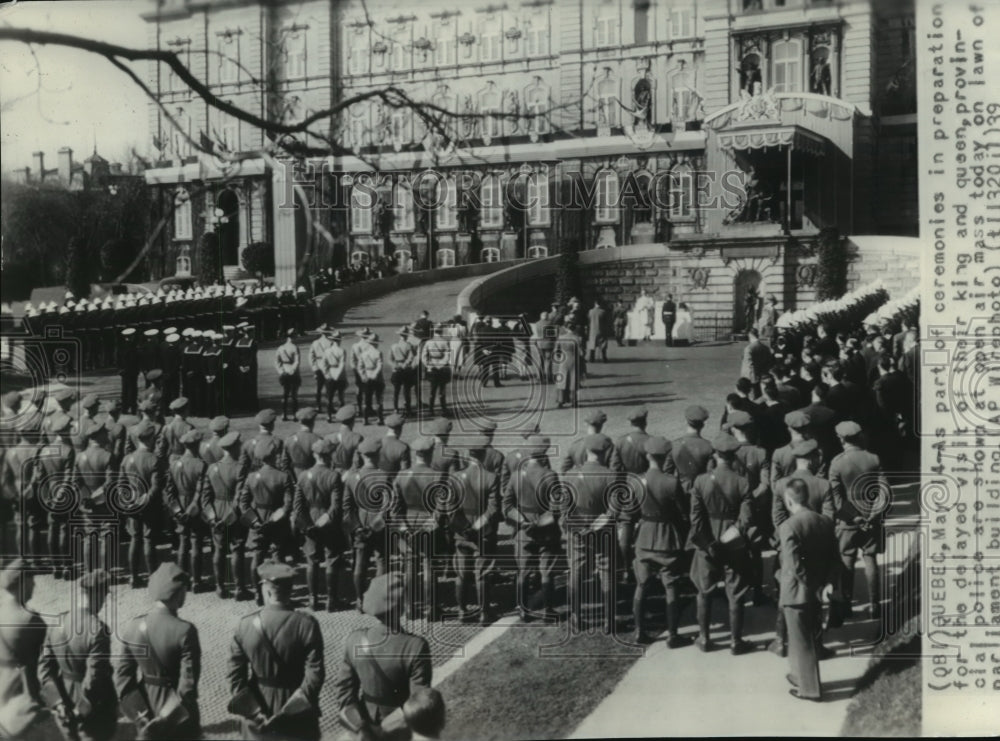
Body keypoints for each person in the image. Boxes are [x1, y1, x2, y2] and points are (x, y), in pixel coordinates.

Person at [227, 563, 325, 741]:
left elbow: (235, 675)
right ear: (291, 590)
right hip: (296, 705)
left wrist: (252, 711)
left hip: (257, 702)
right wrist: (296, 705)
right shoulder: (307, 624)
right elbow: (315, 674)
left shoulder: (245, 624)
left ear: (267, 591)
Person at [114, 562, 202, 740]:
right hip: (177, 710)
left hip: (145, 706)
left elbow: (123, 679)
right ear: (178, 592)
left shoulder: (133, 626)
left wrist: (141, 716)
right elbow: (188, 685)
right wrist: (168, 716)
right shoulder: (185, 631)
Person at [687, 433, 755, 655]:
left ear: (715, 454)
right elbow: (745, 521)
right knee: (735, 592)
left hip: (707, 542)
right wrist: (726, 541)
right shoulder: (743, 482)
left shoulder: (700, 481)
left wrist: (709, 545)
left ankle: (705, 638)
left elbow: (695, 520)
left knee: (704, 591)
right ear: (734, 455)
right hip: (733, 543)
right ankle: (736, 642)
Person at [334, 573, 432, 725]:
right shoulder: (416, 646)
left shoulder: (354, 640)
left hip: (366, 723)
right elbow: (419, 701)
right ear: (400, 608)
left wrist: (361, 729)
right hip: (402, 726)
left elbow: (345, 695)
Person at [778, 480, 839, 702]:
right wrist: (825, 584)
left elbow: (794, 565)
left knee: (802, 642)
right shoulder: (824, 521)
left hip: (797, 593)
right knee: (804, 639)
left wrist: (811, 586)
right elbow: (834, 557)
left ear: (789, 500)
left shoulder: (789, 526)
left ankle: (810, 689)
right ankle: (799, 675)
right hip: (817, 590)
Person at [39, 569, 117, 741]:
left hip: (64, 699)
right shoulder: (98, 630)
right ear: (98, 594)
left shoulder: (56, 622)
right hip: (93, 709)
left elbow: (44, 669)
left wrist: (58, 702)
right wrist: (80, 710)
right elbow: (95, 677)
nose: (104, 602)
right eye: (104, 596)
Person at [632, 437, 691, 647]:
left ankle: (639, 631)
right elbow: (683, 514)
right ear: (666, 456)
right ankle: (673, 635)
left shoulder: (636, 480)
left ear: (647, 456)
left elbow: (631, 512)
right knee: (671, 584)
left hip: (644, 536)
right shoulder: (671, 482)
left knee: (642, 584)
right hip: (667, 538)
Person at [828, 420, 888, 621]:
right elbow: (884, 492)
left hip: (848, 520)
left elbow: (837, 499)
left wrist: (854, 516)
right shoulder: (873, 458)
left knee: (847, 560)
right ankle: (875, 604)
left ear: (841, 439)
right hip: (871, 517)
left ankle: (846, 605)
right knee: (870, 559)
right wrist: (873, 515)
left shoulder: (837, 463)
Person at [563, 434, 619, 632]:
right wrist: (597, 525)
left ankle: (576, 617)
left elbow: (564, 509)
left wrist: (580, 528)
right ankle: (609, 620)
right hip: (603, 531)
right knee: (606, 572)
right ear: (605, 452)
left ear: (586, 451)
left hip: (578, 530)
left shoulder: (570, 474)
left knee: (576, 572)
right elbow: (614, 509)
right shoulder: (611, 475)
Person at [502, 435, 561, 620]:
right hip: (546, 530)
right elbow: (555, 510)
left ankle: (522, 609)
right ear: (543, 454)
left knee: (523, 571)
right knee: (547, 570)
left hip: (522, 530)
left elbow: (507, 506)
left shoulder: (516, 475)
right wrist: (537, 523)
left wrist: (522, 522)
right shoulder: (550, 475)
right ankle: (548, 609)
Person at [0, 560, 58, 741]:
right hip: (24, 702)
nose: (34, 584)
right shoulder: (31, 620)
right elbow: (48, 668)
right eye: (31, 579)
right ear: (21, 582)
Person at [391, 436, 446, 621]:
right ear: (430, 453)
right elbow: (440, 509)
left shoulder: (401, 475)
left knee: (409, 567)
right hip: (427, 525)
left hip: (408, 524)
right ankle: (431, 609)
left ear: (416, 454)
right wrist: (428, 526)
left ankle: (410, 608)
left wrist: (404, 527)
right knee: (429, 566)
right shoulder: (437, 476)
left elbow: (395, 508)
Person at [450, 435, 502, 623]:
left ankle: (462, 611)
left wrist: (465, 528)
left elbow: (450, 508)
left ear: (468, 454)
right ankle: (484, 612)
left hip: (461, 534)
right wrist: (477, 527)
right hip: (483, 534)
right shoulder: (491, 478)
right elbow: (494, 508)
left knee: (461, 574)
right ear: (483, 454)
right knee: (483, 573)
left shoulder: (455, 477)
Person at [293, 438, 346, 611]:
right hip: (328, 522)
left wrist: (308, 525)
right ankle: (332, 600)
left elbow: (298, 507)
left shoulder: (303, 475)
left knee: (312, 561)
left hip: (310, 518)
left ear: (315, 455)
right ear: (330, 455)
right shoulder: (334, 476)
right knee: (331, 559)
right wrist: (323, 521)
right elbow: (336, 505)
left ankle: (313, 599)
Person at [241, 438, 294, 606]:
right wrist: (274, 519)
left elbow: (243, 503)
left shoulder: (251, 477)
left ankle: (258, 593)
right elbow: (288, 505)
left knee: (257, 555)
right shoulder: (283, 476)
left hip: (257, 519)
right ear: (274, 456)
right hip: (277, 522)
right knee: (278, 556)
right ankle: (280, 594)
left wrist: (254, 520)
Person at [200, 431, 252, 601]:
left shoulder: (212, 468)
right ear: (235, 447)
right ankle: (239, 589)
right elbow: (239, 498)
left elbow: (205, 498)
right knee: (237, 549)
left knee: (219, 549)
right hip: (233, 514)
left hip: (216, 510)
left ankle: (220, 587)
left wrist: (213, 518)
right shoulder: (240, 468)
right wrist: (229, 517)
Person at [343, 438, 392, 610]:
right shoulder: (384, 476)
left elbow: (347, 507)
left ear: (362, 456)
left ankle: (359, 600)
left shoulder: (351, 477)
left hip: (360, 522)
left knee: (360, 562)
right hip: (378, 523)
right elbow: (387, 506)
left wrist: (356, 527)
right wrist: (375, 526)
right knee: (382, 560)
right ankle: (378, 598)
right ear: (378, 455)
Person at [120, 420, 164, 588]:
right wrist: (144, 500)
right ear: (151, 438)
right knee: (148, 540)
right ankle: (152, 577)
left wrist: (129, 502)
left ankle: (134, 577)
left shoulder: (127, 459)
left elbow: (121, 485)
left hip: (131, 505)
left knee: (135, 539)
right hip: (149, 506)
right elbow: (156, 487)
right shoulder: (154, 460)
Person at [164, 429, 209, 593]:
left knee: (183, 542)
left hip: (180, 504)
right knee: (196, 541)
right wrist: (192, 509)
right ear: (197, 444)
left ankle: (183, 580)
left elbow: (169, 491)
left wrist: (176, 509)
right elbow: (201, 490)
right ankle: (196, 581)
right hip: (194, 506)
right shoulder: (201, 464)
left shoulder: (174, 463)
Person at [421, 325, 452, 416]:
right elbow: (447, 356)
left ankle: (431, 409)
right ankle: (444, 409)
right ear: (441, 332)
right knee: (442, 389)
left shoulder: (428, 342)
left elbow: (424, 356)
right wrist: (441, 364)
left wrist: (429, 365)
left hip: (432, 367)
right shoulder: (445, 342)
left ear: (434, 331)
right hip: (442, 369)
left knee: (432, 389)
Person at [358, 332, 386, 426]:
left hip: (366, 376)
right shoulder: (378, 353)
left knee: (366, 399)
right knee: (378, 399)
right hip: (377, 378)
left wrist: (363, 375)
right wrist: (375, 374)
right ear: (376, 343)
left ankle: (365, 419)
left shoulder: (363, 353)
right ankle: (380, 418)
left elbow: (360, 366)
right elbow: (379, 365)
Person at [389, 327, 417, 416]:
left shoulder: (393, 346)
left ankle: (395, 408)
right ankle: (408, 409)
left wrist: (395, 365)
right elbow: (411, 357)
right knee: (406, 391)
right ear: (407, 336)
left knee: (396, 391)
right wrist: (405, 364)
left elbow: (390, 359)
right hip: (406, 370)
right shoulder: (409, 345)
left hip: (396, 369)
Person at [286, 407, 322, 478]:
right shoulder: (318, 440)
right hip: (313, 477)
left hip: (294, 476)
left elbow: (284, 464)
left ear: (300, 422)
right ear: (313, 422)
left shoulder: (289, 439)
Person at [322, 330, 348, 421]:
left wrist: (327, 374)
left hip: (330, 373)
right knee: (341, 396)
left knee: (329, 396)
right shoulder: (342, 351)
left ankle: (329, 416)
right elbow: (342, 364)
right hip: (340, 376)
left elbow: (324, 364)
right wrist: (337, 375)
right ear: (339, 340)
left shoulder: (327, 351)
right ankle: (342, 415)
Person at [276, 329, 302, 421]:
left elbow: (277, 361)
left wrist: (281, 371)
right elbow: (297, 361)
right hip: (293, 373)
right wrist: (293, 370)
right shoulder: (295, 347)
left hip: (284, 371)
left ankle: (284, 414)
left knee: (285, 394)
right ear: (293, 336)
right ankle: (295, 415)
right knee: (294, 395)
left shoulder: (281, 348)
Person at [309, 325, 332, 410]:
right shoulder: (331, 342)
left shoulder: (315, 343)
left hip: (318, 366)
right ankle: (329, 406)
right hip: (328, 366)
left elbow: (311, 356)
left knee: (318, 388)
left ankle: (318, 406)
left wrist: (314, 367)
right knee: (329, 388)